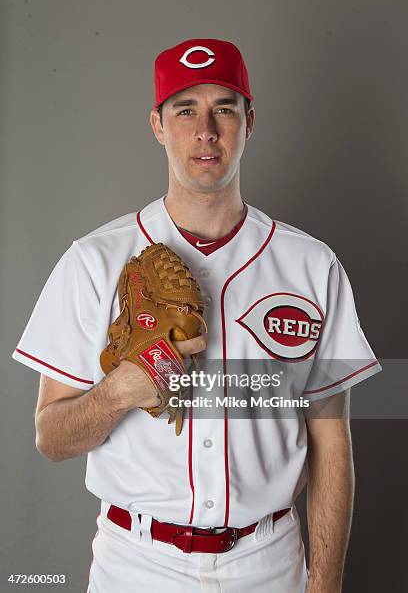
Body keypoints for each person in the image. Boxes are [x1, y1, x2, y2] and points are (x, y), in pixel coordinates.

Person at [12, 38, 382, 593]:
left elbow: (332, 446)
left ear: (249, 121)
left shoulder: (312, 265)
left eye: (224, 109)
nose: (205, 129)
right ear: (158, 125)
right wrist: (118, 392)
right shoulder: (94, 261)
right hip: (136, 565)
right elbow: (50, 436)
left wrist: (324, 585)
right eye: (185, 109)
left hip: (270, 563)